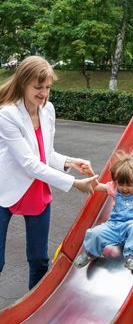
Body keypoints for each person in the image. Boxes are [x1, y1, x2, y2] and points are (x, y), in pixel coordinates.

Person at [0, 55, 98, 290]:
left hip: (36, 188)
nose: (44, 93)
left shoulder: (48, 110)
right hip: (5, 189)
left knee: (39, 259)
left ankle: (33, 309)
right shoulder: (7, 114)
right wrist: (75, 183)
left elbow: (47, 154)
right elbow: (29, 163)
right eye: (38, 87)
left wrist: (72, 162)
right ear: (23, 83)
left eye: (47, 87)